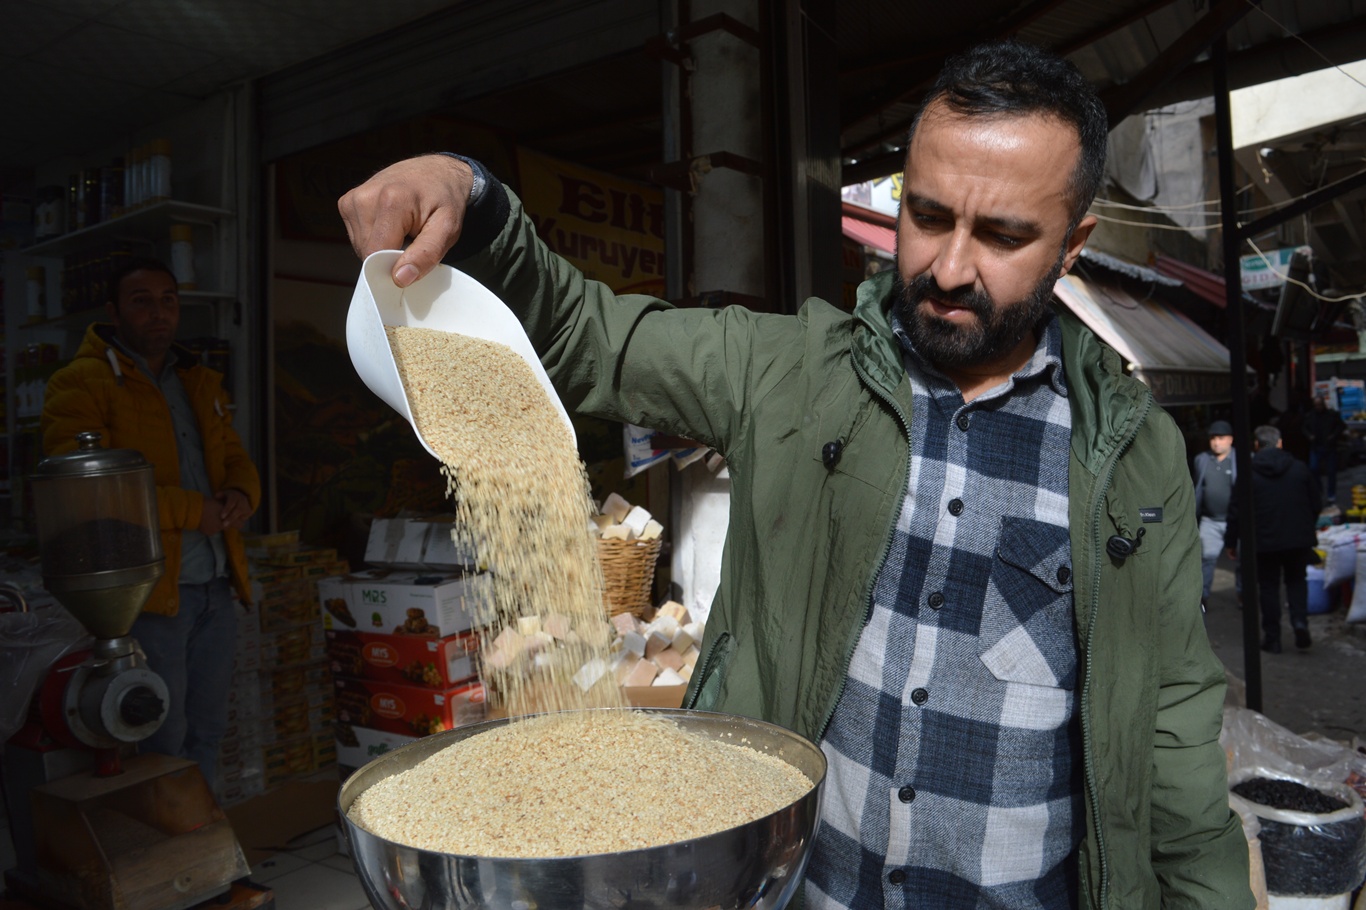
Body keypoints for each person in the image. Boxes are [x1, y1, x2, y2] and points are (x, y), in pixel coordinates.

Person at [339, 41, 1251, 909]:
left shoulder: (1131, 455)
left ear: (1073, 242)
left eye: (1004, 235)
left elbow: (1170, 722)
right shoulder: (788, 373)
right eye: (928, 216)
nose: (947, 267)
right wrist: (472, 193)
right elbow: (586, 336)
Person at [41, 256, 260, 783]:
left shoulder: (196, 380)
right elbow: (90, 492)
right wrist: (195, 511)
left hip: (215, 585)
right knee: (162, 732)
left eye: (168, 300)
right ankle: (167, 835)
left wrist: (241, 493)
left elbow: (233, 455)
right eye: (141, 302)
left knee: (208, 729)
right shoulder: (81, 383)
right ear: (114, 312)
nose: (158, 313)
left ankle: (202, 833)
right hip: (149, 595)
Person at [1225, 425, 1320, 654]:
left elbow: (1236, 512)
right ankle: (1299, 622)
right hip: (1297, 539)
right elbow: (1316, 503)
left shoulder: (1248, 474)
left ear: (1256, 445)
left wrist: (1231, 542)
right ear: (1280, 443)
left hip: (1264, 541)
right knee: (1296, 581)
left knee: (1268, 587)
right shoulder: (1299, 469)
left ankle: (1273, 638)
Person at [1193, 419, 1236, 606]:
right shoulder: (1202, 460)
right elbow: (1198, 488)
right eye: (1213, 438)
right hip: (1210, 520)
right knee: (1206, 559)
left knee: (1242, 562)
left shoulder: (1240, 459)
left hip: (1235, 521)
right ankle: (1202, 597)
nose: (1216, 442)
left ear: (1230, 439)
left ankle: (1243, 595)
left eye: (1221, 438)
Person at [1302, 393, 1346, 502]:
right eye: (1316, 405)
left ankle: (1331, 494)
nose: (1318, 407)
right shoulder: (1310, 416)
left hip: (1329, 446)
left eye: (1320, 405)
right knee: (1313, 468)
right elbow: (1304, 428)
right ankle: (1319, 489)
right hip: (1316, 445)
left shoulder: (1331, 415)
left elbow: (1341, 426)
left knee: (1331, 471)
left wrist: (1333, 436)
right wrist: (1309, 436)